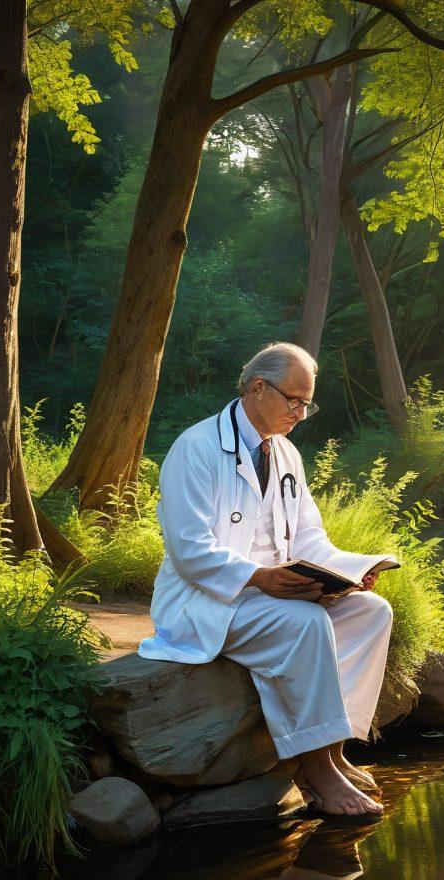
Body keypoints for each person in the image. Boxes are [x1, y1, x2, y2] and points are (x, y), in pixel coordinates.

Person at [138, 342, 390, 817]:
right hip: (209, 599)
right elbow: (189, 550)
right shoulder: (196, 448)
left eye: (306, 403)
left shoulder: (286, 453)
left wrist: (350, 571)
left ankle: (335, 751)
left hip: (272, 594)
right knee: (306, 623)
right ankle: (312, 766)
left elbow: (310, 537)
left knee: (371, 612)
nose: (301, 412)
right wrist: (259, 578)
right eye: (293, 399)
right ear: (258, 387)